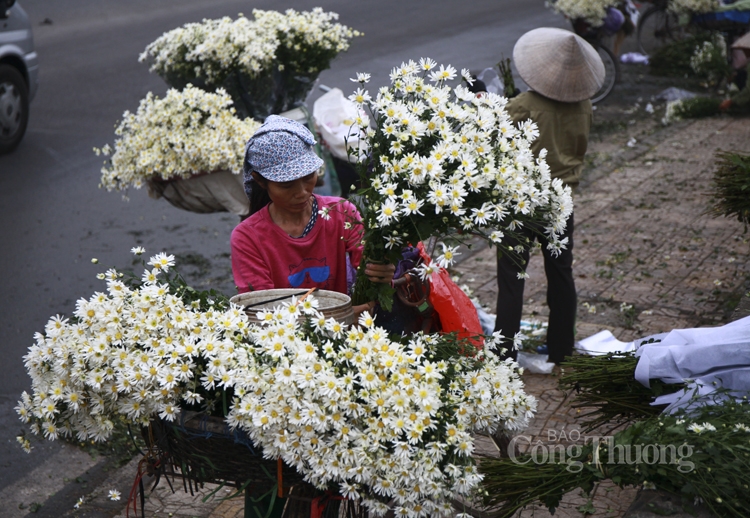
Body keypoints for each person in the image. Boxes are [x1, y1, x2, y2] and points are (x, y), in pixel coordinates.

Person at [494, 27, 604, 365]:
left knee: (512, 278)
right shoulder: (584, 106)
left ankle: (504, 352)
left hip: (523, 201)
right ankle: (561, 348)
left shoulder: (524, 105)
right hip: (562, 200)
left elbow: (496, 138)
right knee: (561, 273)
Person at [230, 115, 395, 316]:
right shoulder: (247, 238)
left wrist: (382, 273)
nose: (301, 192)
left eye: (308, 177)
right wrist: (338, 318)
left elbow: (369, 268)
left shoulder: (342, 212)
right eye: (286, 184)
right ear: (260, 181)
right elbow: (263, 311)